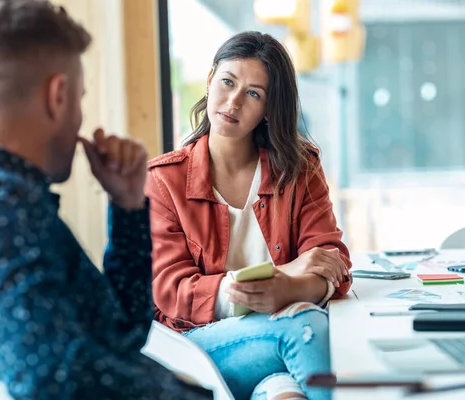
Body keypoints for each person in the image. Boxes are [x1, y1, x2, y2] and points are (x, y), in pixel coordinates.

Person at [0, 1, 210, 399]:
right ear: (58, 95)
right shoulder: (0, 217)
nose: (82, 118)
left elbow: (121, 332)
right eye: (79, 98)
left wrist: (128, 206)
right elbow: (52, 382)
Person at [145, 31, 352, 400]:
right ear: (210, 81)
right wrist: (285, 274)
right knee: (304, 325)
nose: (234, 101)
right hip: (194, 347)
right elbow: (171, 292)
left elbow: (333, 265)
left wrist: (288, 289)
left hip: (271, 342)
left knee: (286, 393)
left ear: (270, 109)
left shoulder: (299, 169)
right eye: (227, 82)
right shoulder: (164, 180)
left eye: (254, 93)